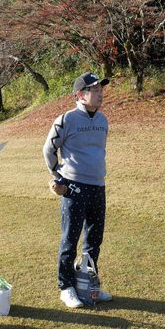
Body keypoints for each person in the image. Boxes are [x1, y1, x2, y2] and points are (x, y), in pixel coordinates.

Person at [43, 72, 113, 308]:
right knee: (69, 240)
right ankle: (66, 287)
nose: (100, 94)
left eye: (101, 90)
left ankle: (88, 284)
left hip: (98, 185)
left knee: (94, 240)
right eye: (95, 90)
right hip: (74, 187)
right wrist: (58, 177)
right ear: (81, 95)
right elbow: (48, 150)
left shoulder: (103, 120)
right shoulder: (66, 119)